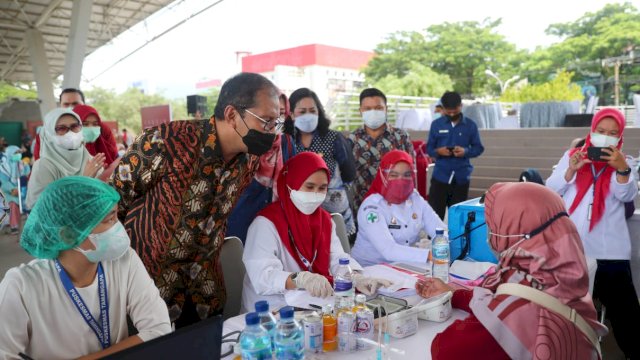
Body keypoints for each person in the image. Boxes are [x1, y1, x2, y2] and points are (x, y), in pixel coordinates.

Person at [111, 72, 280, 327]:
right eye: (266, 121)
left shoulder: (249, 160)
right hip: (147, 295)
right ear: (233, 115)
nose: (271, 132)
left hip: (204, 295)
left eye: (276, 123)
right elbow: (112, 204)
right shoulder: (165, 142)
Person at [416, 182, 607, 359]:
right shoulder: (564, 272)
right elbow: (500, 299)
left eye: (493, 226)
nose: (490, 235)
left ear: (513, 229)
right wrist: (453, 293)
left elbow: (446, 350)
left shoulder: (519, 301)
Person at [0, 176, 171, 360]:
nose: (118, 228)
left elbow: (159, 330)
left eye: (116, 216)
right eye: (109, 220)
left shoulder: (124, 261)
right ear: (68, 234)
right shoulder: (21, 286)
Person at [241, 152, 391, 311]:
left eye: (322, 188)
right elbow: (263, 276)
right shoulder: (265, 224)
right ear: (291, 183)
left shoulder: (325, 221)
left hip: (311, 306)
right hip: (270, 311)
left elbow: (337, 259)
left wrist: (355, 277)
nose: (315, 194)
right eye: (309, 186)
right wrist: (300, 279)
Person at [546, 108, 639, 359]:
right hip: (573, 251)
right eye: (600, 131)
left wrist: (621, 170)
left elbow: (626, 196)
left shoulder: (625, 162)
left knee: (626, 317)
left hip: (611, 253)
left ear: (619, 136)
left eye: (612, 133)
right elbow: (551, 190)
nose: (605, 137)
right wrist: (571, 170)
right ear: (592, 130)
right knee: (567, 312)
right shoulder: (572, 156)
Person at [350, 150, 444, 267]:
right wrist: (429, 255)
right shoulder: (371, 207)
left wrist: (444, 246)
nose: (400, 180)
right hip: (369, 268)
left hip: (404, 266)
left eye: (407, 175)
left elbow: (440, 230)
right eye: (393, 175)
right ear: (383, 176)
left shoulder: (415, 199)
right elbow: (388, 250)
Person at [226, 91, 296, 243]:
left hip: (276, 224)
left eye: (282, 114)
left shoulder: (287, 144)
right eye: (269, 115)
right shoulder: (242, 143)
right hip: (240, 224)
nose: (276, 120)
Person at [285, 88, 357, 234]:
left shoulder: (333, 138)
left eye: (312, 111)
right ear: (292, 114)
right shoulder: (286, 141)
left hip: (334, 211)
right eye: (302, 111)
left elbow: (349, 172)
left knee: (338, 251)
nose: (308, 115)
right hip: (300, 212)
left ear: (319, 112)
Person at [348, 88, 415, 213]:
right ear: (360, 111)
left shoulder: (401, 137)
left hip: (396, 209)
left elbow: (411, 173)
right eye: (367, 109)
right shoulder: (353, 139)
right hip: (363, 207)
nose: (373, 112)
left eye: (378, 108)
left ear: (386, 109)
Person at [26, 108, 106, 208]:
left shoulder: (91, 161)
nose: (70, 133)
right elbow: (42, 209)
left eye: (75, 126)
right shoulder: (44, 166)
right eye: (61, 128)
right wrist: (84, 180)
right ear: (49, 134)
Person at [427, 91, 484, 220]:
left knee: (458, 216)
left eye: (455, 110)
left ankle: (457, 240)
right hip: (440, 176)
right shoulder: (436, 125)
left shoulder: (470, 125)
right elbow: (429, 148)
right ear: (443, 108)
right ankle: (435, 240)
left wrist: (465, 151)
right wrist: (439, 152)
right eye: (448, 111)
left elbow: (478, 148)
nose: (452, 114)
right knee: (435, 215)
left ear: (461, 106)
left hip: (461, 177)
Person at [73, 104, 119, 169]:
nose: (91, 128)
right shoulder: (69, 153)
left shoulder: (105, 147)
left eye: (95, 124)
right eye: (85, 124)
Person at [0, 145, 30, 234]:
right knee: (13, 204)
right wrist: (12, 189)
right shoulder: (4, 167)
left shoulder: (23, 164)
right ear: (9, 154)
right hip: (10, 192)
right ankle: (14, 225)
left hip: (23, 189)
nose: (18, 155)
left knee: (30, 203)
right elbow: (3, 181)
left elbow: (28, 175)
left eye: (19, 153)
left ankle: (30, 225)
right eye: (15, 153)